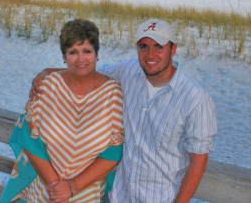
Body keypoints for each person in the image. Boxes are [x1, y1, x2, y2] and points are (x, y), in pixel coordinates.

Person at [31, 19, 217, 202]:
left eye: (158, 46)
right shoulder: (128, 71)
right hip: (118, 196)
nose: (150, 54)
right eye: (143, 46)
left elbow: (198, 160)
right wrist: (47, 72)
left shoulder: (195, 99)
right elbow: (86, 70)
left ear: (173, 49)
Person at [0, 19, 124, 203]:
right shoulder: (47, 86)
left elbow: (114, 151)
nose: (81, 59)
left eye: (87, 51)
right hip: (43, 192)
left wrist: (72, 188)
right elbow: (29, 138)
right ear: (64, 57)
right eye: (73, 52)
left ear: (97, 55)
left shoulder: (113, 94)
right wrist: (56, 188)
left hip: (87, 195)